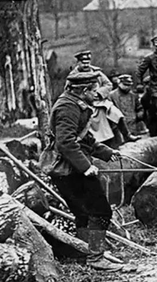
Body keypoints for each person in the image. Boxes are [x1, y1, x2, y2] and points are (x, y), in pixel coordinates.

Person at [47, 71, 125, 271]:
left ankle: (86, 252)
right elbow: (65, 142)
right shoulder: (68, 108)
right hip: (68, 170)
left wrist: (107, 153)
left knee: (82, 213)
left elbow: (85, 139)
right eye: (93, 90)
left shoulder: (75, 104)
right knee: (101, 211)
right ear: (83, 91)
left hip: (68, 170)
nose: (97, 94)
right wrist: (86, 167)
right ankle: (96, 257)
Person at [68, 50, 139, 147]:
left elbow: (108, 84)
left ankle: (127, 135)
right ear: (78, 63)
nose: (86, 65)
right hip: (84, 103)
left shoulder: (96, 72)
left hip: (99, 100)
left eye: (87, 62)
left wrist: (99, 93)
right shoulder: (73, 75)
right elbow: (68, 91)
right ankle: (102, 145)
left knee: (117, 114)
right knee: (95, 122)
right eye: (83, 63)